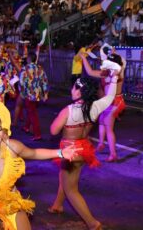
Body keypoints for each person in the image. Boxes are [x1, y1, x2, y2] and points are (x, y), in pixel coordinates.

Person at [48, 71, 119, 230]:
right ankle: (57, 205)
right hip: (83, 148)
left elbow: (53, 130)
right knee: (65, 176)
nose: (71, 90)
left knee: (71, 189)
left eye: (73, 88)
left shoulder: (68, 110)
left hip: (69, 150)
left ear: (79, 91)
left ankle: (92, 223)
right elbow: (109, 97)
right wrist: (114, 79)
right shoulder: (95, 106)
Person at [81, 51, 125, 161]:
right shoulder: (106, 72)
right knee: (101, 120)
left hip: (115, 102)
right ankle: (101, 143)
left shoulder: (117, 73)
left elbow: (123, 62)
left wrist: (116, 55)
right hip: (107, 101)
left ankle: (113, 154)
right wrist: (83, 58)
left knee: (109, 127)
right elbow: (90, 72)